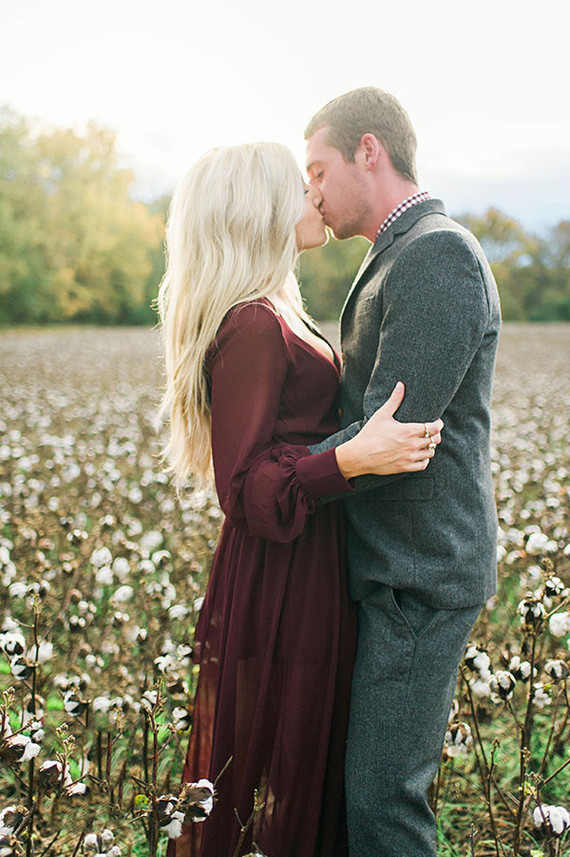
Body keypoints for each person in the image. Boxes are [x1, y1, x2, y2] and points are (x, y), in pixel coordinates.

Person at [157, 142, 443, 857]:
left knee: (295, 762)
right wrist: (350, 458)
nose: (315, 197)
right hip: (281, 575)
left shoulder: (275, 308)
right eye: (301, 185)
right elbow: (244, 484)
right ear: (260, 209)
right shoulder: (254, 322)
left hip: (303, 562)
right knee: (274, 769)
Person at [304, 87, 501, 856]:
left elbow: (393, 437)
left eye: (317, 168)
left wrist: (280, 475)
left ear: (369, 151)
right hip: (392, 568)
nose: (311, 190)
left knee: (386, 805)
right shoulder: (402, 251)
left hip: (419, 574)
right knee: (371, 796)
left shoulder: (437, 252)